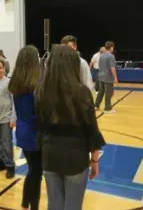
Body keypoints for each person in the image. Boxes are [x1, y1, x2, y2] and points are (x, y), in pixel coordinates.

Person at [35, 45, 106, 210]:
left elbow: (40, 127)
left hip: (50, 156)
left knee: (54, 204)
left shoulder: (40, 92)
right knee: (73, 206)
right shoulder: (83, 93)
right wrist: (95, 160)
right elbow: (92, 131)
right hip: (76, 159)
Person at [8, 45, 42, 210]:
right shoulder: (36, 85)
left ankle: (25, 204)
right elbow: (37, 115)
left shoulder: (17, 82)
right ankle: (32, 206)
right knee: (36, 173)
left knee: (33, 170)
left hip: (22, 130)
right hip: (34, 133)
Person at [95, 41, 118, 114]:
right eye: (113, 47)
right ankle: (107, 108)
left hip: (101, 76)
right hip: (108, 77)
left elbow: (99, 66)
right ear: (111, 47)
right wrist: (115, 77)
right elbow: (112, 68)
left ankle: (96, 105)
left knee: (100, 92)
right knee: (108, 93)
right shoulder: (111, 56)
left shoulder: (101, 55)